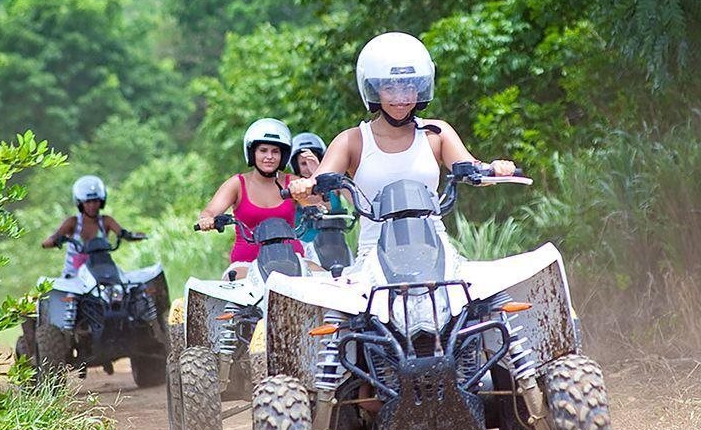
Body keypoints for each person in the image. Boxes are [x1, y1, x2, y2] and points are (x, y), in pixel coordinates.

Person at [288, 32, 515, 258]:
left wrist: (495, 168)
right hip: (374, 256)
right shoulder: (352, 140)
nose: (401, 97)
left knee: (489, 291)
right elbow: (316, 188)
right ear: (375, 90)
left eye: (409, 87)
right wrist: (304, 188)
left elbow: (472, 168)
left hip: (435, 248)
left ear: (420, 89)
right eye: (390, 89)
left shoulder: (437, 133)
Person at [196, 118, 303, 279]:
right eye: (263, 150)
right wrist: (207, 219)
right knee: (229, 288)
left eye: (275, 151)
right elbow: (209, 211)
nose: (269, 156)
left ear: (283, 155)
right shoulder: (237, 184)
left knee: (326, 280)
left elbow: (322, 205)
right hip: (246, 265)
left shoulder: (293, 183)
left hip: (293, 260)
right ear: (252, 153)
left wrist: (315, 175)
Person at [42, 175, 129, 277]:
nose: (92, 206)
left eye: (95, 201)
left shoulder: (106, 221)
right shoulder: (72, 222)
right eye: (88, 202)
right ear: (80, 204)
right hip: (75, 275)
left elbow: (123, 233)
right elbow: (52, 239)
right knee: (71, 294)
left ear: (101, 202)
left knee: (123, 289)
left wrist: (131, 235)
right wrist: (54, 241)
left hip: (102, 271)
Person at [289, 132, 348, 260]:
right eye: (303, 163)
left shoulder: (336, 186)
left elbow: (354, 199)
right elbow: (320, 206)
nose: (308, 167)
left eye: (311, 161)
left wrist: (320, 173)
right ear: (296, 166)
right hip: (306, 246)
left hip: (336, 244)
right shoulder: (297, 188)